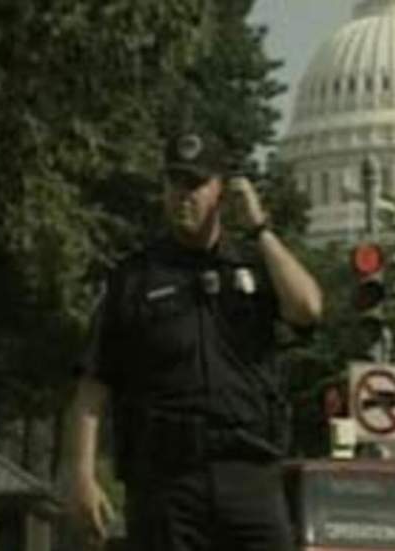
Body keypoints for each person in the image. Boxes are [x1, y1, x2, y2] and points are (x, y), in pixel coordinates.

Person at [64, 131, 323, 551]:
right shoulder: (134, 277)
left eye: (196, 184)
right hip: (166, 483)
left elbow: (308, 309)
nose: (184, 196)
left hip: (249, 476)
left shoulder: (255, 266)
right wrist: (81, 476)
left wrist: (260, 228)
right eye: (175, 183)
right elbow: (92, 389)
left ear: (221, 189)